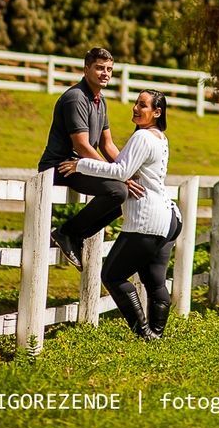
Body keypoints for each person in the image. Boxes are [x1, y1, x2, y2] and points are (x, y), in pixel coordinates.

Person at [59, 89, 182, 340]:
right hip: (169, 217)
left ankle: (145, 333)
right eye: (136, 103)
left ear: (157, 112)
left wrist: (79, 164)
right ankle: (156, 336)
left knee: (112, 276)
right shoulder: (160, 137)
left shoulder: (143, 138)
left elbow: (120, 171)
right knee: (154, 281)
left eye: (143, 105)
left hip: (147, 220)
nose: (136, 108)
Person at [38, 46, 137, 271]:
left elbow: (107, 144)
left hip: (81, 166)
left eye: (109, 69)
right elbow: (82, 146)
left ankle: (75, 235)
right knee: (118, 190)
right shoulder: (76, 98)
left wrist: (127, 171)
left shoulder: (100, 101)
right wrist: (116, 174)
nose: (106, 73)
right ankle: (67, 234)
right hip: (60, 166)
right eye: (100, 68)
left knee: (127, 191)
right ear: (86, 69)